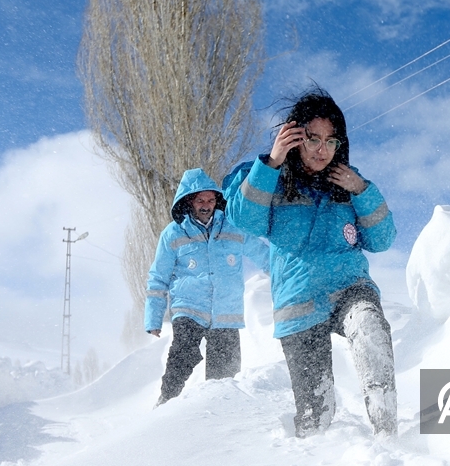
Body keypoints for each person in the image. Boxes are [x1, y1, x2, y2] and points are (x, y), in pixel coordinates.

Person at [223, 89, 398, 437]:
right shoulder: (273, 180)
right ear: (294, 138)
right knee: (316, 414)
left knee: (370, 329)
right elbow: (244, 220)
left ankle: (388, 435)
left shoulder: (348, 184)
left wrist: (362, 190)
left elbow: (382, 240)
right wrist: (272, 162)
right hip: (299, 303)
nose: (322, 150)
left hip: (350, 288)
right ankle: (313, 461)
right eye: (313, 139)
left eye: (331, 141)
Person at [145, 168, 269, 407]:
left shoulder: (233, 228)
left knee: (224, 379)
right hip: (189, 307)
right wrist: (153, 317)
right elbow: (158, 277)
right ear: (189, 201)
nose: (206, 205)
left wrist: (286, 274)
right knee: (181, 357)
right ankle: (165, 403)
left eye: (210, 200)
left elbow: (264, 255)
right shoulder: (173, 233)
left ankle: (217, 417)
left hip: (226, 312)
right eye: (200, 200)